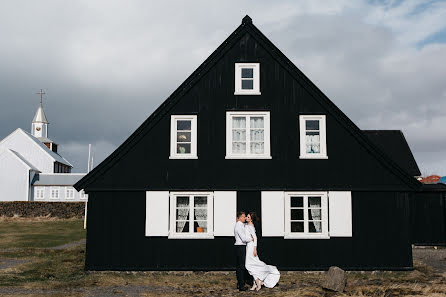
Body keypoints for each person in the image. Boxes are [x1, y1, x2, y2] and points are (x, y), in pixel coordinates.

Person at [245, 212, 280, 291]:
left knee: (249, 265)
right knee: (253, 265)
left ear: (251, 219)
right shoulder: (247, 226)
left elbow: (255, 238)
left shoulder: (250, 226)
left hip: (251, 246)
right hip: (248, 246)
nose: (246, 218)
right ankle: (256, 283)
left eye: (248, 217)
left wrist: (255, 249)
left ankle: (258, 282)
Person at [234, 211, 254, 291]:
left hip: (240, 247)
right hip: (240, 247)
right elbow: (243, 238)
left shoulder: (241, 225)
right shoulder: (239, 226)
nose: (245, 218)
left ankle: (240, 283)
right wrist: (251, 239)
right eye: (243, 216)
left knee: (240, 266)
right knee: (241, 266)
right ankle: (241, 285)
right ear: (239, 218)